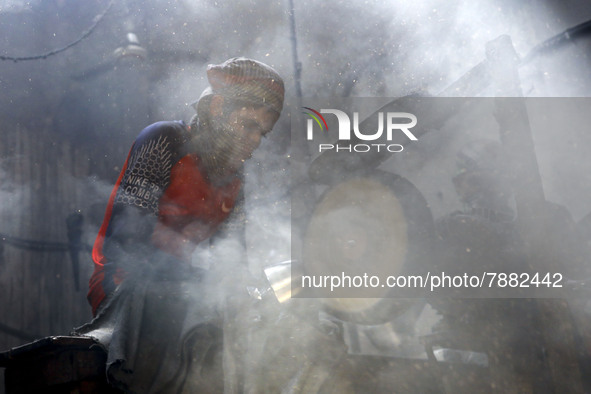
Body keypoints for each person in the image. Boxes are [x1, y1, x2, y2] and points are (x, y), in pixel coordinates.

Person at [76, 57, 284, 393]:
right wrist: (202, 267)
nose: (256, 140)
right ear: (217, 107)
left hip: (193, 294)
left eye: (262, 132)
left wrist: (263, 295)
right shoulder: (164, 140)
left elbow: (236, 256)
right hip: (126, 286)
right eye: (248, 125)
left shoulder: (236, 180)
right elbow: (130, 234)